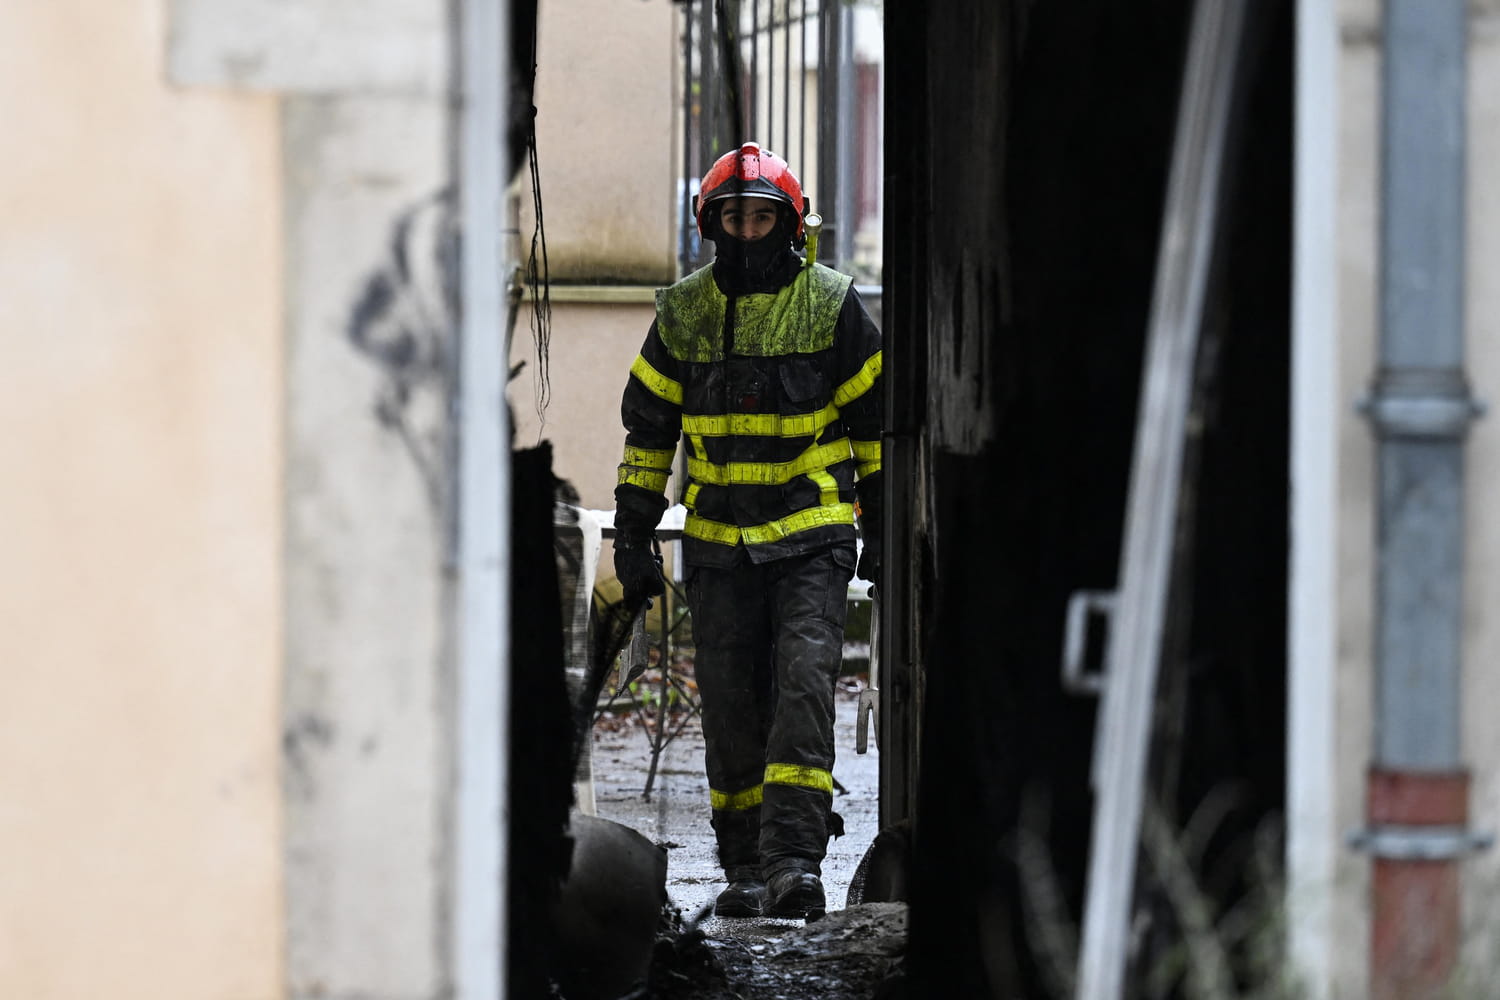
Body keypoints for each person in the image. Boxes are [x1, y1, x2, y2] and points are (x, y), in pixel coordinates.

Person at [611, 141, 883, 920]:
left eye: (762, 218)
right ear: (711, 225)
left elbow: (874, 428)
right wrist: (632, 535)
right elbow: (649, 435)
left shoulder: (831, 304)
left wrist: (882, 526)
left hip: (813, 538)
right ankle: (746, 869)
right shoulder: (684, 312)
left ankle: (795, 863)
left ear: (789, 225)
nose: (749, 231)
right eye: (734, 218)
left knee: (802, 692)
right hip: (719, 546)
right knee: (731, 711)